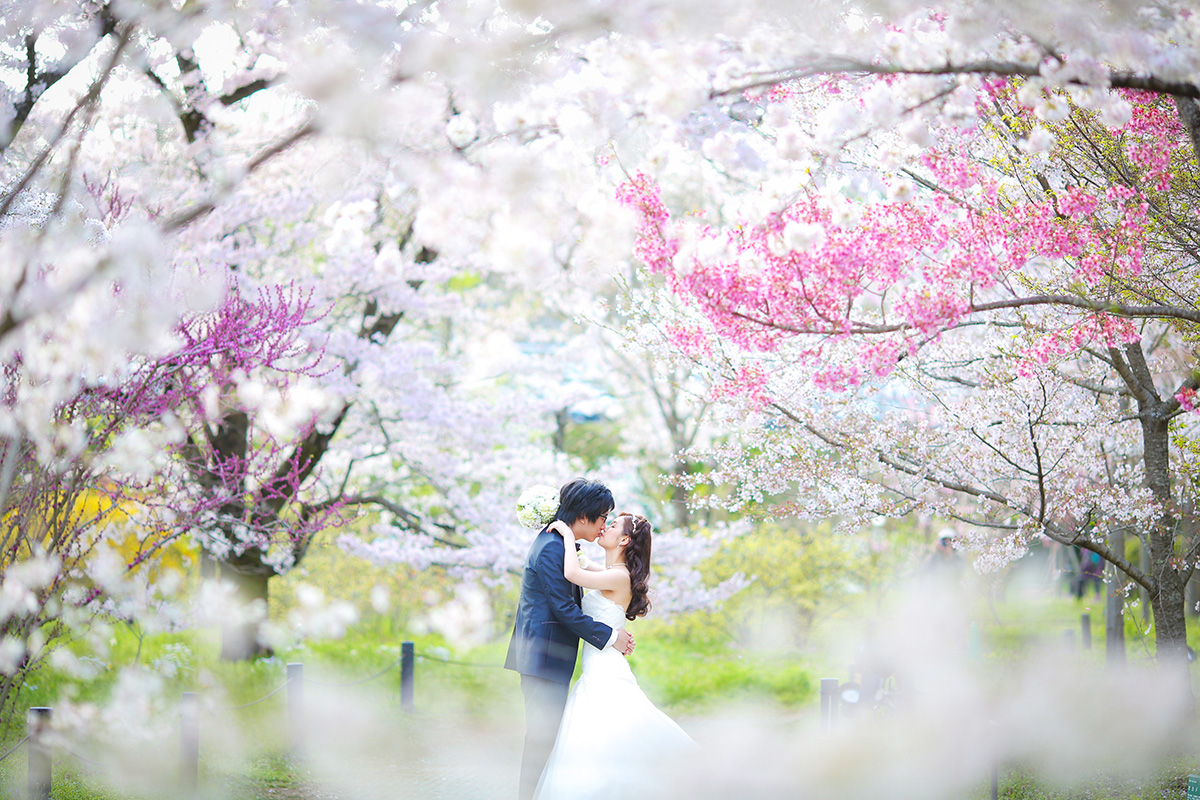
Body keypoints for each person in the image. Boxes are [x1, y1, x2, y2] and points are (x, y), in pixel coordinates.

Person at [534, 512, 695, 800]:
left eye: (611, 525)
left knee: (605, 736)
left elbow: (573, 574)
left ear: (624, 539)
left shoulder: (619, 576)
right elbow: (582, 565)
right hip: (599, 667)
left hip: (604, 672)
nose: (604, 527)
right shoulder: (612, 570)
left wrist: (568, 536)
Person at [505, 479, 635, 800]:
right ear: (583, 516)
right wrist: (609, 636)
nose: (604, 525)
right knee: (541, 736)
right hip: (543, 657)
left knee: (546, 735)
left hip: (546, 656)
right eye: (603, 517)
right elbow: (564, 609)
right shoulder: (551, 548)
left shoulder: (558, 545)